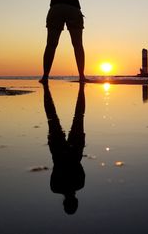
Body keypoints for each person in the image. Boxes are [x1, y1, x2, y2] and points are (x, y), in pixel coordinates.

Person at [40, 0, 85, 84]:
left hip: (56, 8)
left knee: (51, 44)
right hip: (73, 8)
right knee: (77, 45)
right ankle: (81, 76)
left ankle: (45, 76)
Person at [43, 82, 86, 215]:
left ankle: (80, 89)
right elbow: (59, 169)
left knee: (78, 117)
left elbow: (79, 167)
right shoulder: (55, 187)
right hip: (60, 151)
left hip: (72, 150)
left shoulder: (79, 184)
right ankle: (80, 88)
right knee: (52, 118)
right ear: (64, 203)